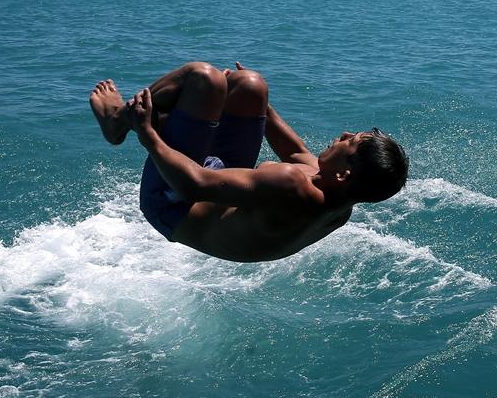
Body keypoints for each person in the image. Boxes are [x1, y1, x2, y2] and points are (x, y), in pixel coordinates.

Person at [89, 61, 408, 262]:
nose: (344, 133)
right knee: (252, 86)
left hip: (173, 204)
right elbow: (296, 152)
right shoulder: (340, 199)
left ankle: (117, 122)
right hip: (215, 183)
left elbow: (193, 185)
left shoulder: (292, 185)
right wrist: (260, 103)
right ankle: (171, 120)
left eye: (350, 141)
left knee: (203, 77)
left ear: (344, 174)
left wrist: (146, 133)